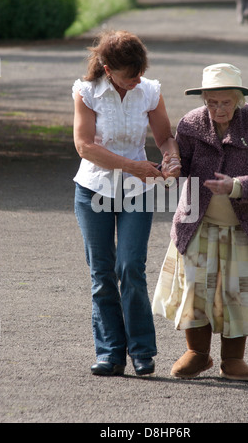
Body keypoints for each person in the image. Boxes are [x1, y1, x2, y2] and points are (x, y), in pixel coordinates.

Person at [153, 63, 248, 381]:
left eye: (225, 102)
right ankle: (197, 354)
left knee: (237, 294)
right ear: (204, 99)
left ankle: (232, 359)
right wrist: (169, 168)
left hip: (245, 228)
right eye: (212, 102)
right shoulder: (192, 124)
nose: (218, 109)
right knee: (196, 291)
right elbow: (176, 160)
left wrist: (236, 186)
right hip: (198, 223)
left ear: (239, 99)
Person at [72, 30, 181, 377]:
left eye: (139, 73)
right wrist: (133, 166)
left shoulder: (149, 91)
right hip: (94, 191)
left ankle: (142, 352)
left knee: (131, 266)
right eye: (129, 75)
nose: (136, 80)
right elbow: (85, 146)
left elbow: (164, 137)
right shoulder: (86, 93)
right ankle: (110, 353)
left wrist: (172, 157)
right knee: (102, 273)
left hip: (136, 193)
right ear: (107, 69)